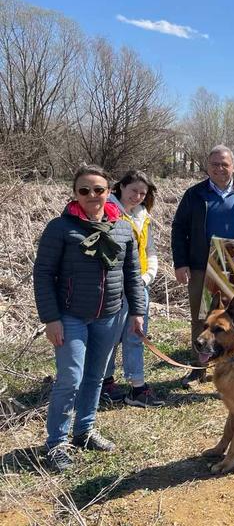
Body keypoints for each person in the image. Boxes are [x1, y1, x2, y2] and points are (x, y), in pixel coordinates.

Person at [34, 165, 146, 472]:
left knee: (96, 376)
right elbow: (43, 274)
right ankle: (56, 442)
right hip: (70, 316)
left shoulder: (122, 228)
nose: (92, 196)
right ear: (75, 194)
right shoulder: (60, 228)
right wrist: (51, 319)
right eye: (84, 190)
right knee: (71, 377)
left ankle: (84, 431)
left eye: (98, 189)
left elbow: (132, 276)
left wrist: (136, 312)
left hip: (109, 316)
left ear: (109, 191)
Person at [171, 145, 234, 388]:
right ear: (207, 166)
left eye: (224, 164)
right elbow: (178, 229)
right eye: (214, 164)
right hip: (203, 267)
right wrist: (181, 263)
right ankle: (197, 370)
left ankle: (233, 367)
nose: (219, 168)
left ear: (233, 166)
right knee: (201, 317)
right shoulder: (194, 195)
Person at [100, 170, 164, 408]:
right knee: (110, 337)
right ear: (120, 187)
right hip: (114, 287)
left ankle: (137, 387)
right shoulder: (107, 211)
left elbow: (150, 251)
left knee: (136, 335)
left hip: (139, 287)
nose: (137, 197)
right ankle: (105, 383)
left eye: (143, 193)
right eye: (133, 191)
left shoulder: (143, 215)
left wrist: (146, 278)